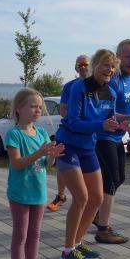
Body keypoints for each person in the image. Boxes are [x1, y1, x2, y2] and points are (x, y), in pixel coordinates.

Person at [55, 48, 125, 259]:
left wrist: (125, 125)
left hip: (87, 147)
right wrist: (101, 125)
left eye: (112, 66)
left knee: (96, 198)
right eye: (105, 65)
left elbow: (109, 122)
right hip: (68, 145)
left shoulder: (110, 92)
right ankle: (67, 251)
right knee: (81, 198)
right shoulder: (79, 87)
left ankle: (77, 243)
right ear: (95, 66)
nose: (109, 69)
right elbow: (74, 122)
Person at [6, 88, 64, 259]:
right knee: (20, 235)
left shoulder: (41, 134)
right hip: (20, 193)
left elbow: (46, 165)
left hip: (39, 193)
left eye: (40, 107)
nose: (38, 110)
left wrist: (52, 155)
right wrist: (40, 152)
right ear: (19, 109)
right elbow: (16, 163)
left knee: (35, 234)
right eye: (33, 106)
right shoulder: (14, 134)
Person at [94, 40, 130, 244]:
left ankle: (96, 212)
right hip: (103, 137)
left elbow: (128, 110)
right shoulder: (112, 80)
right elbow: (107, 111)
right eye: (127, 57)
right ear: (118, 58)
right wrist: (129, 118)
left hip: (118, 136)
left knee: (119, 178)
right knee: (110, 182)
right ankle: (103, 229)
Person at [47, 54, 90, 212]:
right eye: (79, 65)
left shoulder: (97, 85)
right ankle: (61, 195)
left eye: (86, 64)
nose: (83, 67)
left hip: (89, 134)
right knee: (61, 162)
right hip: (70, 131)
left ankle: (89, 200)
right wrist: (76, 119)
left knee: (88, 168)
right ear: (76, 68)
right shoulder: (69, 86)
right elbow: (63, 110)